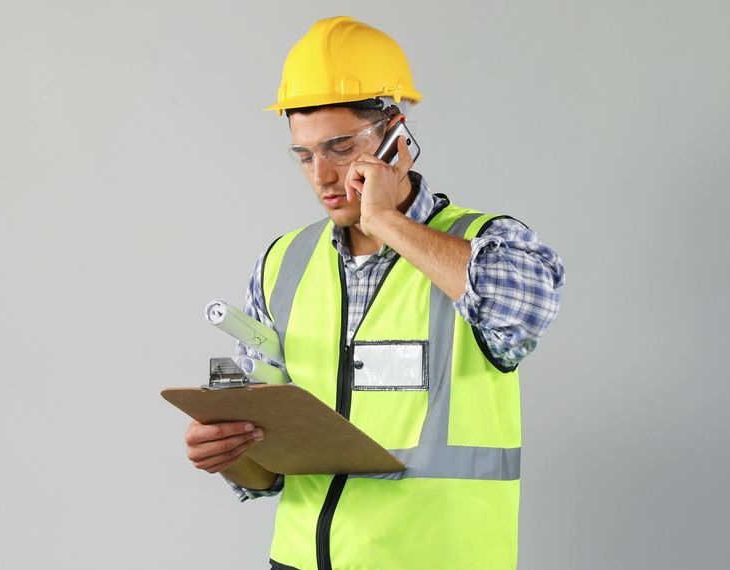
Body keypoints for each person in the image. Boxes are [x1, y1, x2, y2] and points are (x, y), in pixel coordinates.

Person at [183, 16, 565, 570]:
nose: (322, 176)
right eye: (304, 155)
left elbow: (525, 313)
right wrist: (230, 455)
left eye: (339, 148)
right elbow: (266, 474)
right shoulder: (283, 264)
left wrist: (385, 219)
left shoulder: (485, 244)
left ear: (396, 134)